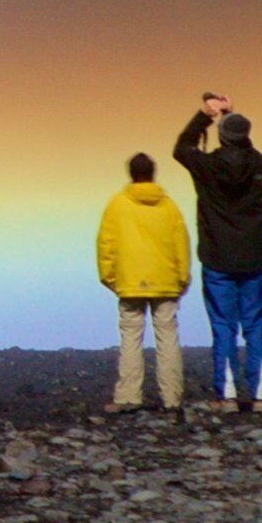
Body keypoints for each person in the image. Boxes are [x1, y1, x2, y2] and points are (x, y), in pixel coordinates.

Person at [174, 94, 262, 410]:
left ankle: (227, 394)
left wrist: (206, 115)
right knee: (256, 324)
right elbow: (245, 150)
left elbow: (182, 149)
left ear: (222, 136)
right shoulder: (259, 163)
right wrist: (232, 117)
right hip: (255, 255)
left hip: (218, 257)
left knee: (223, 325)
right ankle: (261, 394)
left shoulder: (208, 167)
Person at [96, 151, 192, 410]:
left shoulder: (117, 204)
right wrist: (182, 277)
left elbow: (106, 243)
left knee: (130, 337)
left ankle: (128, 396)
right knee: (168, 337)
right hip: (166, 282)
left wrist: (110, 278)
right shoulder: (169, 206)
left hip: (129, 282)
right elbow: (181, 242)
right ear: (153, 173)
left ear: (131, 173)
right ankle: (172, 398)